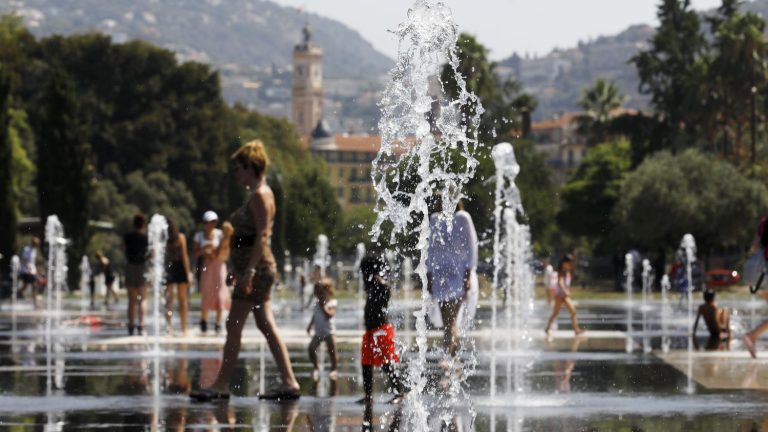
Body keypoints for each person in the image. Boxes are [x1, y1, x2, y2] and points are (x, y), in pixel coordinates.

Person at [191, 140, 300, 402]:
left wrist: (248, 272)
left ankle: (221, 384)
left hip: (259, 270)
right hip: (255, 269)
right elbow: (248, 238)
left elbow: (262, 236)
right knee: (265, 325)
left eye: (239, 168)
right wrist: (238, 269)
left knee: (233, 324)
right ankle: (289, 382)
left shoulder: (262, 195)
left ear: (251, 167)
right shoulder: (258, 194)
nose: (236, 174)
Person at [426, 198, 478, 359]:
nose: (440, 204)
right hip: (439, 276)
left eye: (444, 200)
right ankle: (452, 356)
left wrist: (468, 275)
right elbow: (430, 249)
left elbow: (471, 246)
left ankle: (447, 356)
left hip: (458, 275)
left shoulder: (462, 217)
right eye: (439, 201)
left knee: (452, 320)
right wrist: (429, 275)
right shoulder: (435, 219)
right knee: (447, 321)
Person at [358, 254, 408, 404]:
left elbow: (387, 290)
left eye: (364, 272)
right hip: (370, 331)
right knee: (366, 364)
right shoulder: (371, 285)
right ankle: (368, 395)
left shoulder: (380, 284)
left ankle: (400, 392)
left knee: (386, 364)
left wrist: (381, 281)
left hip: (382, 330)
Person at [194, 211, 233, 335]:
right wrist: (205, 250)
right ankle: (204, 321)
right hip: (207, 266)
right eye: (209, 222)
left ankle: (218, 322)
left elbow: (224, 252)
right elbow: (195, 253)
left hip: (219, 265)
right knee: (207, 293)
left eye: (214, 222)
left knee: (221, 293)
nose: (211, 224)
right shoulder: (199, 236)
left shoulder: (220, 234)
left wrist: (215, 249)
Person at [742, 217, 768, 358]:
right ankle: (751, 336)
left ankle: (752, 336)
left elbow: (755, 245)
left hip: (761, 275)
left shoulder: (764, 223)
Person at [306, 278, 338, 381]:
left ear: (328, 291)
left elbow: (330, 315)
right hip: (318, 332)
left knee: (332, 351)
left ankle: (334, 369)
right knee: (311, 349)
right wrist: (310, 325)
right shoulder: (316, 304)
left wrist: (324, 306)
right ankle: (316, 366)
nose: (319, 295)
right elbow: (314, 316)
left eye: (321, 292)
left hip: (329, 332)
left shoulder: (332, 302)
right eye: (317, 293)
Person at [545, 254, 585, 336]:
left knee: (564, 312)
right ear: (564, 263)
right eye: (569, 263)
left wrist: (567, 291)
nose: (571, 265)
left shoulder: (567, 272)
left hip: (563, 296)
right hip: (560, 296)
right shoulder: (562, 272)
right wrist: (565, 291)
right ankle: (576, 330)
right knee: (567, 312)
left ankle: (576, 330)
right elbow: (560, 282)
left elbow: (565, 283)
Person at [164, 218, 192, 336]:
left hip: (169, 269)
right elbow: (185, 257)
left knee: (169, 301)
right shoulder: (180, 237)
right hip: (180, 268)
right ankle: (184, 328)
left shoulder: (163, 239)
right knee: (182, 300)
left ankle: (169, 328)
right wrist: (188, 272)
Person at [124, 214, 149, 336]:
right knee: (143, 298)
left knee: (131, 300)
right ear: (143, 224)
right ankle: (141, 325)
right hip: (142, 266)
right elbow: (150, 253)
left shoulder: (127, 237)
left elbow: (124, 249)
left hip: (130, 266)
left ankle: (131, 325)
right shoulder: (146, 238)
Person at [17, 237, 40, 308]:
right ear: (33, 243)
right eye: (36, 243)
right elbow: (24, 259)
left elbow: (33, 262)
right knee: (33, 286)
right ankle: (35, 303)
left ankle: (17, 293)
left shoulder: (34, 250)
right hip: (26, 271)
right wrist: (29, 268)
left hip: (32, 271)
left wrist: (35, 270)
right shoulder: (27, 249)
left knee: (29, 286)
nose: (37, 245)